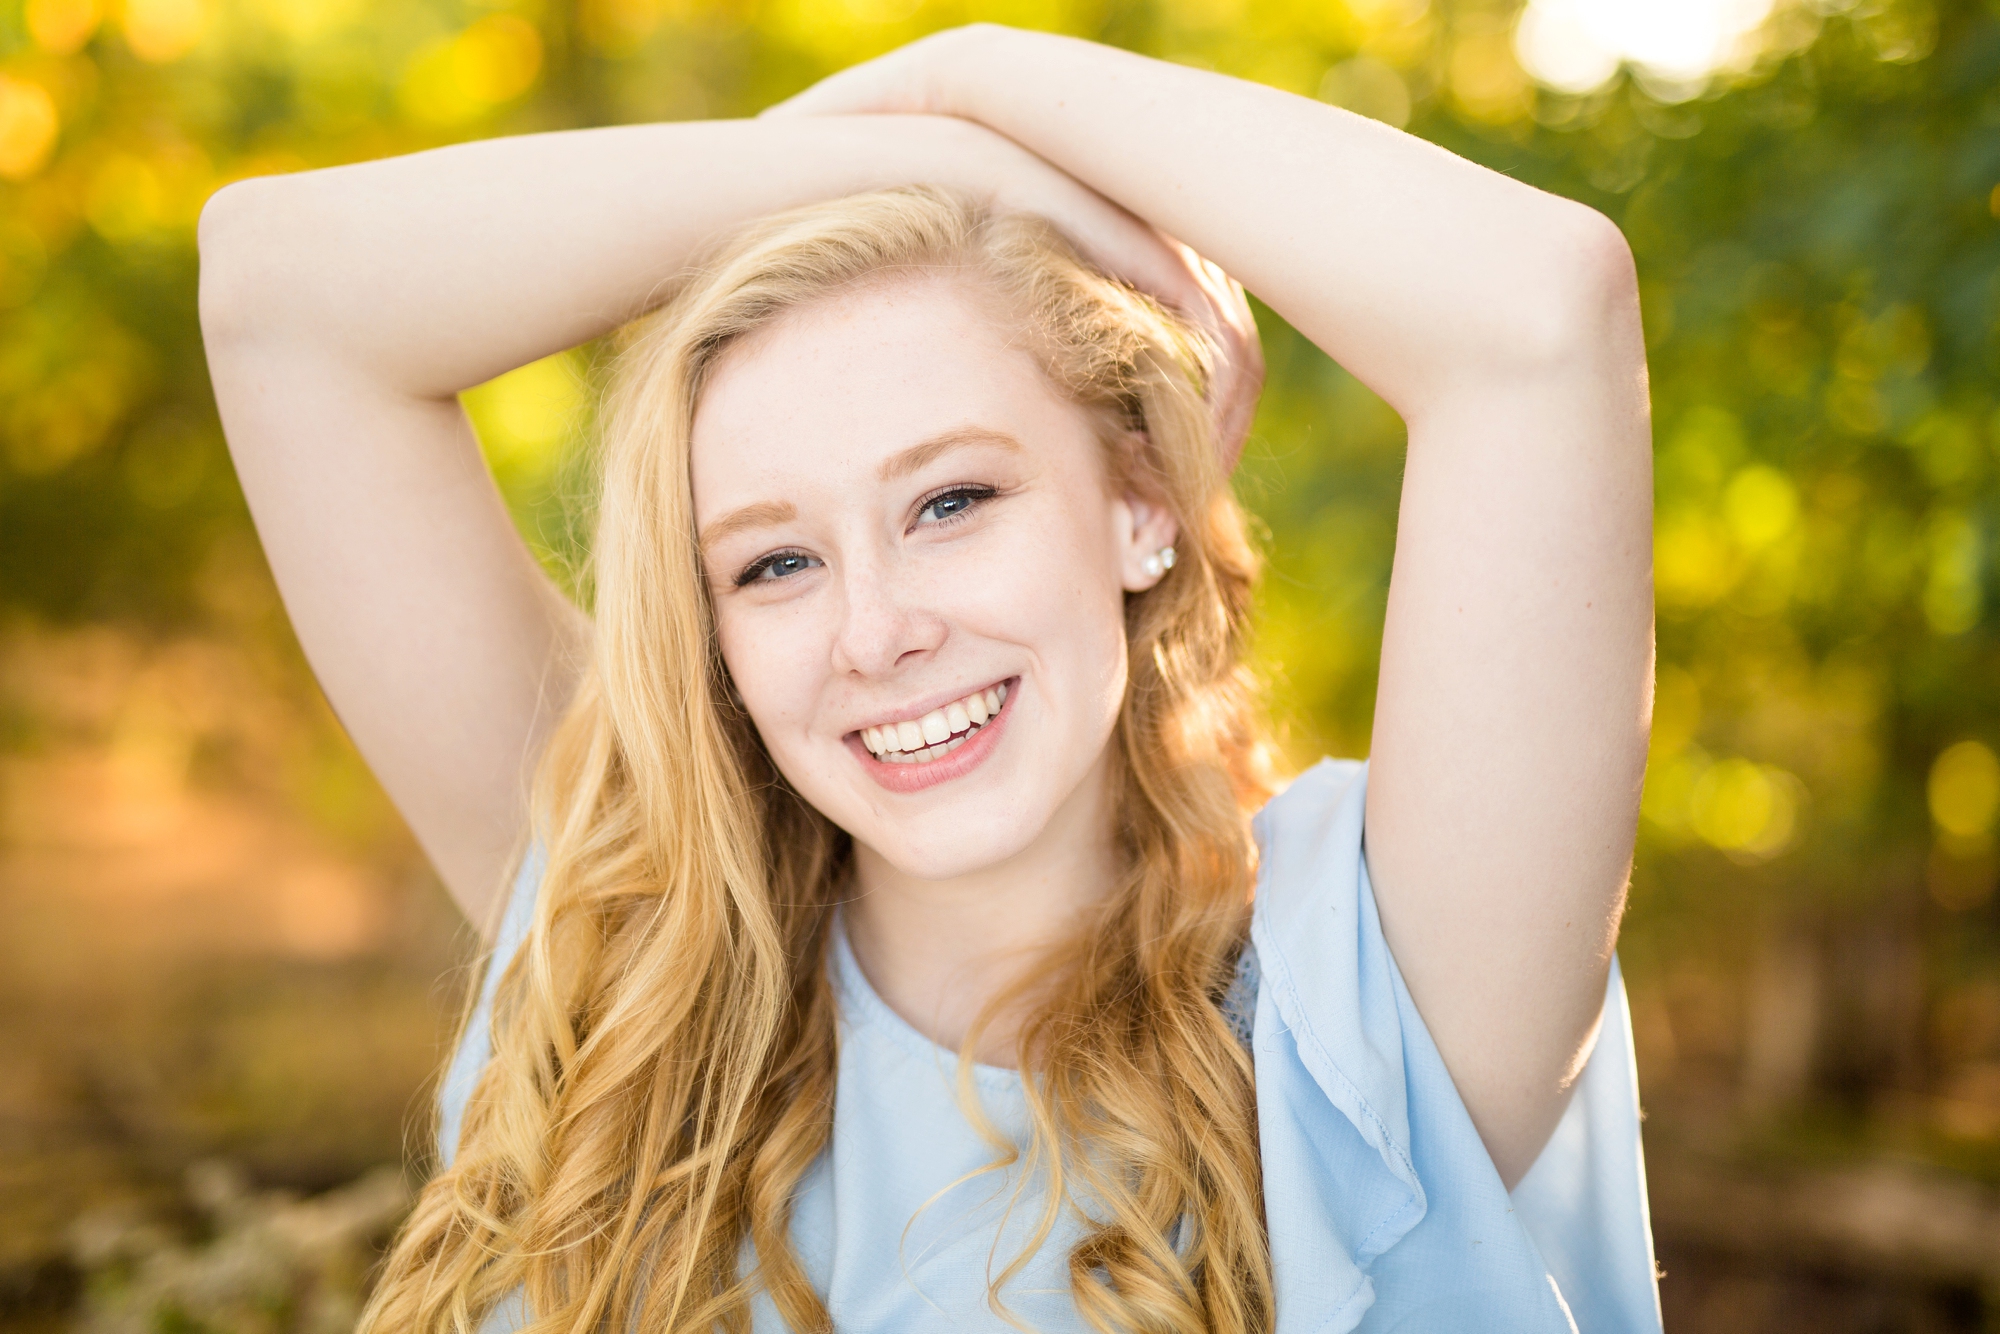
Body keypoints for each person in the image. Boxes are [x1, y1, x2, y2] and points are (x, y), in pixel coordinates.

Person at [196, 24, 1658, 1334]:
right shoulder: (626, 936)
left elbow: (1540, 305)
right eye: (773, 563)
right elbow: (277, 292)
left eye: (951, 500)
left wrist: (971, 66)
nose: (873, 630)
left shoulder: (1371, 990)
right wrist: (917, 159)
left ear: (1141, 500)